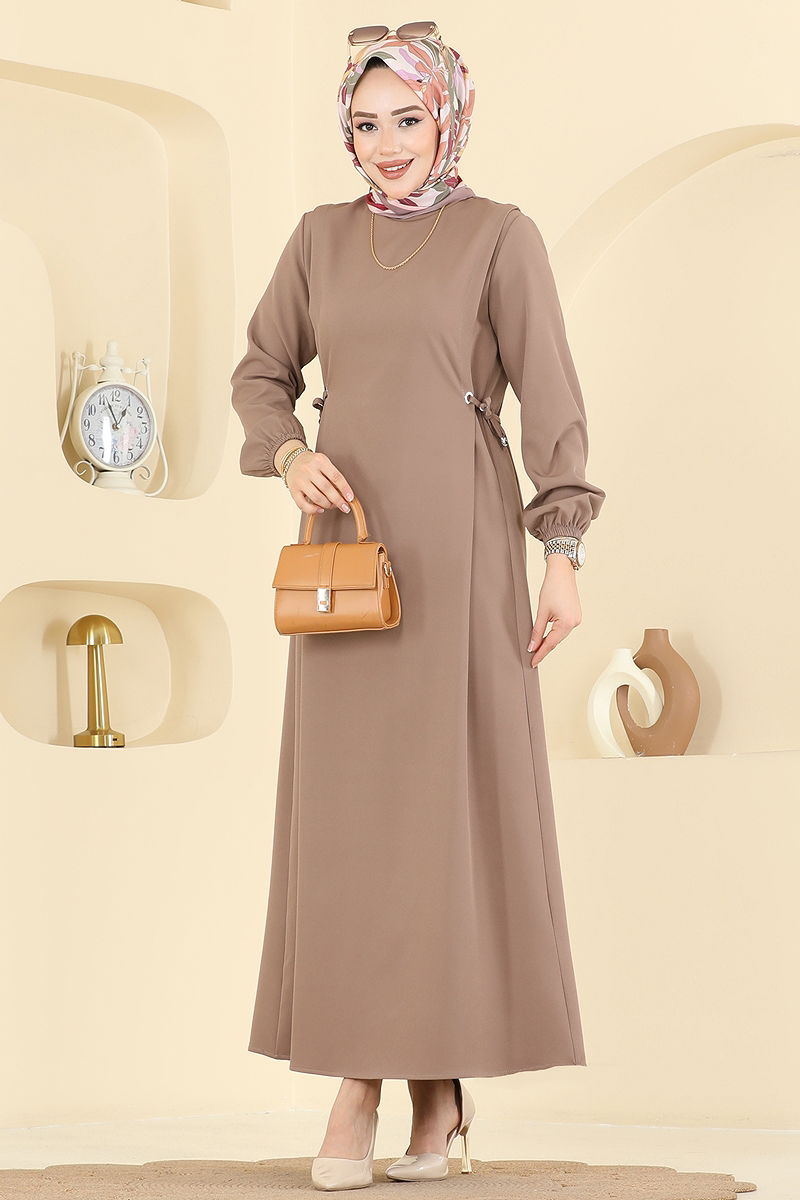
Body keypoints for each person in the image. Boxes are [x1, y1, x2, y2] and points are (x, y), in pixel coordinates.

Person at [230, 20, 606, 1192]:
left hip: (459, 545)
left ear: (447, 117)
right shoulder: (316, 240)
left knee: (443, 820)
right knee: (352, 825)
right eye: (363, 124)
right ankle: (382, 1083)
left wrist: (560, 552)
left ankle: (413, 1087)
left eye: (407, 119)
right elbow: (260, 371)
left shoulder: (499, 236)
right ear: (343, 132)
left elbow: (550, 397)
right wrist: (287, 453)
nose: (385, 145)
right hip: (345, 553)